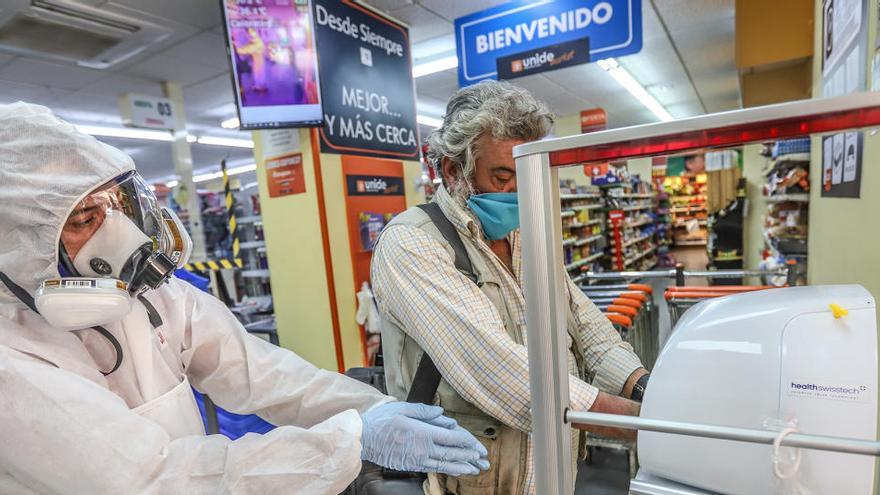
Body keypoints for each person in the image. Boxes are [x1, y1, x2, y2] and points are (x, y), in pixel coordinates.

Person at [0, 102, 488, 494]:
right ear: (21, 244)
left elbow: (264, 374)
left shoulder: (148, 295)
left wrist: (375, 411)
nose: (121, 235)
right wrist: (350, 442)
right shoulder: (11, 363)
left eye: (117, 206)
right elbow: (148, 479)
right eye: (86, 219)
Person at [371, 81, 648, 495]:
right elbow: (500, 370)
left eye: (527, 176)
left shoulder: (526, 236)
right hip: (467, 480)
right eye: (503, 176)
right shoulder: (412, 244)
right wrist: (638, 424)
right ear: (453, 170)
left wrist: (646, 387)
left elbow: (584, 325)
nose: (518, 193)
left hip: (548, 468)